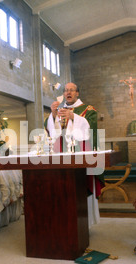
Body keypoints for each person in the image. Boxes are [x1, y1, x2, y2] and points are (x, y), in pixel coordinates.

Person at [45, 82, 102, 227]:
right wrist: (52, 115)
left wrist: (73, 117)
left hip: (82, 152)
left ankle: (84, 224)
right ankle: (66, 222)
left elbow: (90, 131)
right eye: (66, 90)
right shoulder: (60, 109)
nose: (68, 93)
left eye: (71, 90)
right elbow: (53, 133)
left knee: (80, 188)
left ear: (77, 93)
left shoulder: (88, 109)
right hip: (62, 154)